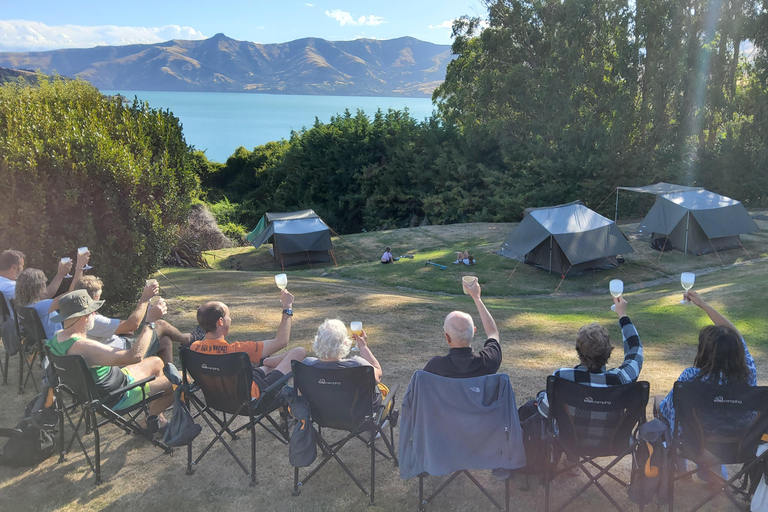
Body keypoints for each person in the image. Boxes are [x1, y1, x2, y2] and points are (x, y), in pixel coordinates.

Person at [45, 289, 175, 430]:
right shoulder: (85, 347)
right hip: (119, 395)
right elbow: (135, 356)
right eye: (92, 311)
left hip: (102, 389)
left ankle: (157, 417)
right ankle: (149, 420)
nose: (95, 314)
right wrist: (150, 322)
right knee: (180, 379)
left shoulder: (56, 339)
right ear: (84, 317)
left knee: (156, 362)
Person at [656, 289, 756, 427]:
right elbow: (737, 336)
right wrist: (703, 304)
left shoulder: (691, 377)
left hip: (698, 446)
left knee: (658, 402)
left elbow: (667, 410)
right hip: (742, 444)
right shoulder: (748, 373)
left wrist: (657, 402)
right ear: (738, 350)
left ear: (704, 352)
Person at [535, 296, 642, 417]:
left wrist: (541, 396)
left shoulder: (561, 377)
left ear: (578, 351)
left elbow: (544, 412)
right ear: (609, 351)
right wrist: (622, 315)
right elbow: (635, 349)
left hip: (568, 436)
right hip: (613, 436)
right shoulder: (622, 378)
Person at [190, 289, 306, 399]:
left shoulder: (194, 348)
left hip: (221, 398)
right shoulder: (238, 350)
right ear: (221, 321)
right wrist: (287, 307)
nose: (230, 320)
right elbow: (281, 341)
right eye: (228, 316)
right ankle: (265, 362)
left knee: (267, 366)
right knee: (299, 351)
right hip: (254, 397)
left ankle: (265, 361)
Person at [74, 269, 202, 363]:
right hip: (124, 351)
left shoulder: (75, 314)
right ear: (96, 297)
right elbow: (132, 325)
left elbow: (126, 327)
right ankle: (188, 339)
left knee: (165, 341)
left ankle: (168, 381)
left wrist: (120, 331)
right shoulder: (90, 319)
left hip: (120, 344)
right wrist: (145, 298)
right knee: (159, 324)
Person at [423, 276, 501, 378]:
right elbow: (493, 333)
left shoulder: (435, 366)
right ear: (474, 331)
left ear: (447, 338)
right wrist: (476, 297)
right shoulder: (488, 361)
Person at [303, 319, 388, 409]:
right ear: (345, 342)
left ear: (317, 342)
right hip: (356, 416)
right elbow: (378, 377)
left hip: (321, 415)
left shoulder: (307, 365)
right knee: (383, 390)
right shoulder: (358, 365)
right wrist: (363, 347)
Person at [14, 264, 74, 339]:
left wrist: (60, 274)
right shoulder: (41, 306)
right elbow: (72, 293)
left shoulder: (26, 304)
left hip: (44, 344)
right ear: (39, 287)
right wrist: (79, 267)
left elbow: (48, 294)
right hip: (56, 344)